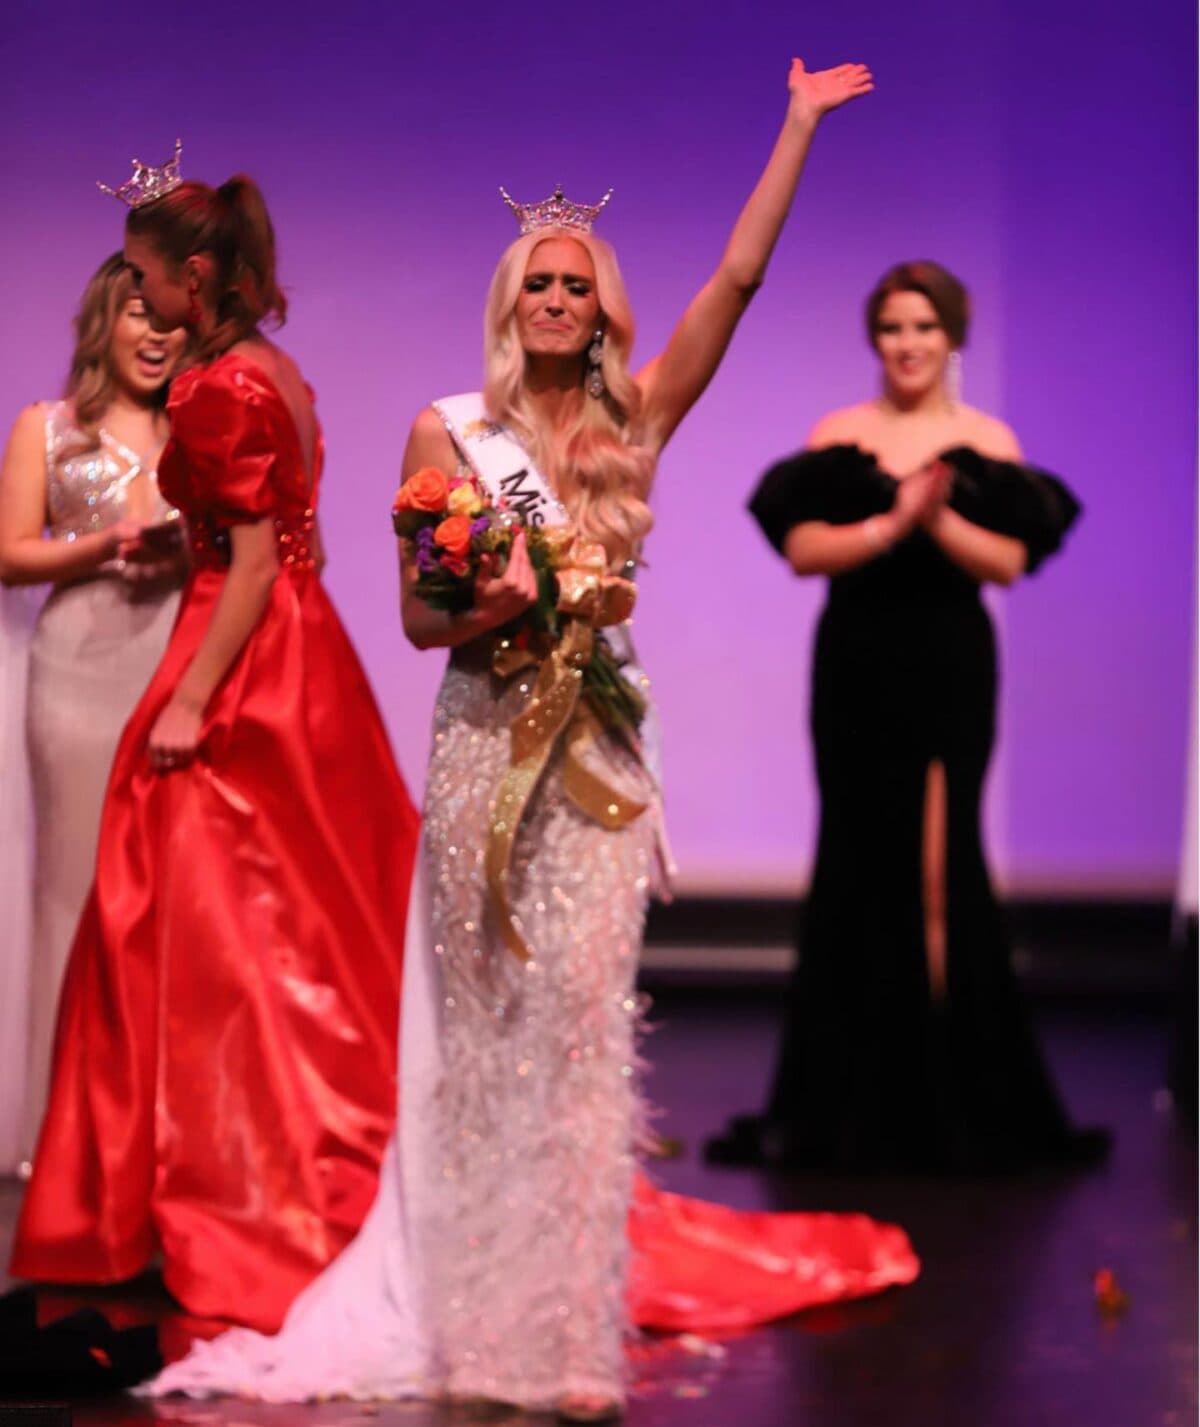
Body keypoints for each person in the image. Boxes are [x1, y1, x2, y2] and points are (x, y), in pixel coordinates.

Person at [143, 59, 922, 1425]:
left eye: (578, 284)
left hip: (602, 763)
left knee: (578, 1047)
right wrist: (489, 600)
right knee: (484, 1043)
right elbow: (414, 616)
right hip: (487, 745)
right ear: (510, 303)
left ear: (602, 306)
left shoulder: (635, 420)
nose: (558, 301)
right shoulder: (449, 430)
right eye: (537, 283)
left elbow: (732, 286)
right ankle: (474, 1331)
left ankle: (562, 1340)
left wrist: (795, 130)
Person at [9, 150, 421, 1331]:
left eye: (147, 277)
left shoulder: (210, 390)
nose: (141, 300)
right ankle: (241, 1161)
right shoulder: (278, 371)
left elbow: (243, 560)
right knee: (293, 916)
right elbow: (304, 550)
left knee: (173, 915)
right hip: (308, 649)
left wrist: (190, 695)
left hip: (237, 652)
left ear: (197, 276)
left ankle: (220, 1183)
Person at [705, 260, 1109, 1174]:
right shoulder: (842, 435)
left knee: (940, 868)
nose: (910, 344)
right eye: (893, 327)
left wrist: (932, 515)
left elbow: (1007, 561)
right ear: (874, 338)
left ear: (953, 335)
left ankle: (946, 1094)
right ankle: (849, 1096)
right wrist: (892, 519)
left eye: (925, 326)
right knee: (852, 859)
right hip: (856, 664)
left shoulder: (984, 438)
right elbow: (806, 551)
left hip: (949, 665)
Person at [0, 254, 187, 1175]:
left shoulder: (200, 430)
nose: (155, 335)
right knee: (72, 894)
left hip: (174, 673)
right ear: (103, 322)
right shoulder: (48, 429)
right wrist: (110, 542)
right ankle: (60, 1137)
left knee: (171, 901)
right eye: (136, 315)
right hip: (75, 677)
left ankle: (158, 1128)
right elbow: (10, 553)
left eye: (171, 318)